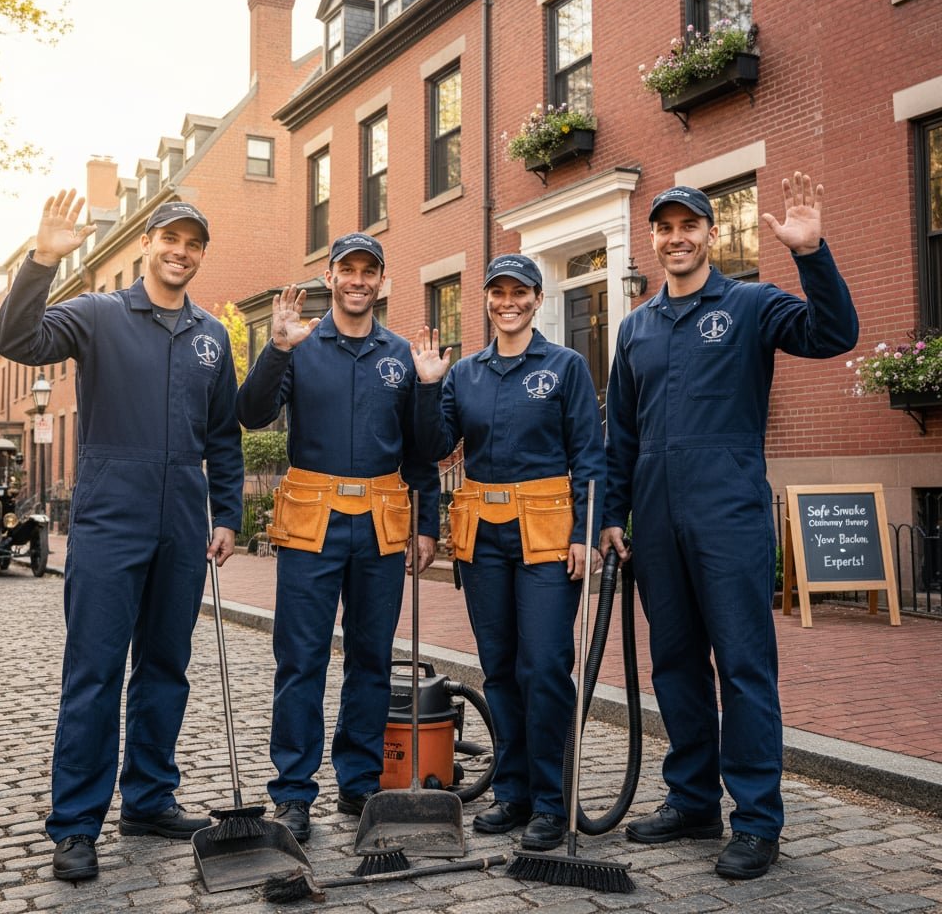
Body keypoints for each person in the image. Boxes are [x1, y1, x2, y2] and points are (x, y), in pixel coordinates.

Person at [601, 173, 859, 880]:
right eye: (665, 227)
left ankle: (756, 821)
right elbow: (618, 431)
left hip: (729, 514)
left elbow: (833, 332)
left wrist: (812, 254)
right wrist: (610, 515)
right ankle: (691, 800)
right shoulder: (635, 327)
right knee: (675, 665)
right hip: (654, 518)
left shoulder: (749, 304)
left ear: (712, 234)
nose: (677, 237)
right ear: (653, 239)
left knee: (744, 668)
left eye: (690, 226)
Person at [0, 191, 243, 882]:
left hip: (182, 522)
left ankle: (149, 797)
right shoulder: (98, 315)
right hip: (110, 518)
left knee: (165, 668)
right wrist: (43, 260)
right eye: (170, 238)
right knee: (95, 673)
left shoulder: (212, 335)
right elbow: (15, 341)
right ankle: (75, 824)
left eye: (194, 242)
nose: (181, 251)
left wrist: (228, 513)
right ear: (146, 243)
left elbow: (223, 434)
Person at [235, 232, 440, 844]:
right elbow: (250, 414)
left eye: (368, 271)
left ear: (382, 280)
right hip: (310, 522)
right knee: (301, 660)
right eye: (346, 269)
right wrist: (274, 349)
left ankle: (358, 781)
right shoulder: (298, 343)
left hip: (380, 524)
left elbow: (424, 454)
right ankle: (294, 792)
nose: (357, 280)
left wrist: (426, 523)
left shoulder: (402, 353)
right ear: (329, 276)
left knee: (373, 659)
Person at [410, 254, 605, 852]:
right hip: (482, 537)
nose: (507, 302)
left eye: (519, 291)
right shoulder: (464, 372)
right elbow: (436, 448)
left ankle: (552, 799)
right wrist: (428, 385)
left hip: (547, 534)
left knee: (544, 665)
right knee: (499, 667)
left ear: (537, 298)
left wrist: (588, 535)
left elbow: (590, 454)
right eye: (497, 292)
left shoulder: (566, 366)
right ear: (487, 300)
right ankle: (513, 792)